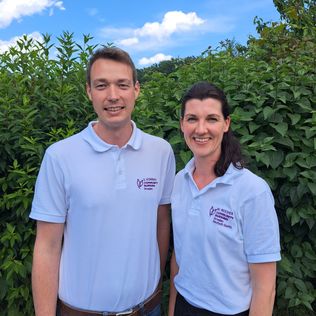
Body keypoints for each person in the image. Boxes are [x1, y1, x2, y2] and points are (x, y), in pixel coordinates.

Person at [30, 47, 175, 316]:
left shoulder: (161, 152)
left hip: (147, 309)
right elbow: (47, 247)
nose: (113, 95)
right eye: (101, 85)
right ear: (89, 92)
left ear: (136, 89)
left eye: (122, 84)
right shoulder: (60, 156)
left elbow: (161, 220)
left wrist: (154, 284)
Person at [169, 82, 281, 316]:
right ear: (182, 125)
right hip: (184, 305)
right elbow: (179, 258)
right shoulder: (180, 182)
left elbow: (265, 287)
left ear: (226, 124)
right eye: (191, 119)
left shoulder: (252, 191)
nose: (201, 129)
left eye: (211, 119)